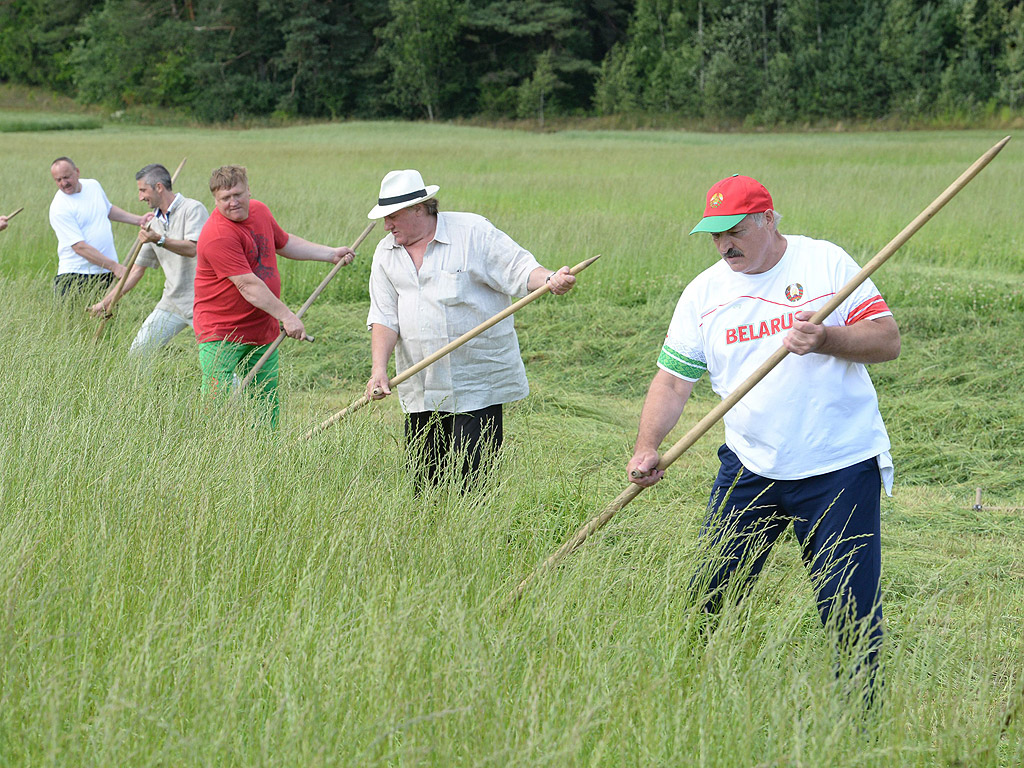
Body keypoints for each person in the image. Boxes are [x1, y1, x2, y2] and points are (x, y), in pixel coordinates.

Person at [627, 174, 900, 700]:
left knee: (849, 608)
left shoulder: (826, 264)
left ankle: (858, 721)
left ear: (769, 219)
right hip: (750, 464)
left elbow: (886, 341)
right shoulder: (704, 294)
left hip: (837, 466)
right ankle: (692, 694)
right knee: (710, 592)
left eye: (735, 229)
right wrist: (647, 445)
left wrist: (827, 338)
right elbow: (673, 378)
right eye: (715, 234)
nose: (724, 244)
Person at [364, 169, 577, 491]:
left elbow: (520, 270)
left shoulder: (473, 232)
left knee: (474, 477)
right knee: (423, 477)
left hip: (476, 380)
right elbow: (384, 315)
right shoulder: (386, 252)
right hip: (420, 381)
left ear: (419, 209)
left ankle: (472, 532)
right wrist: (378, 369)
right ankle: (427, 531)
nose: (387, 225)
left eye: (393, 216)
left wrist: (550, 279)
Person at [194, 165, 355, 429]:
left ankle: (266, 451)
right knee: (218, 399)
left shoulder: (260, 211)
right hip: (220, 332)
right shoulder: (217, 235)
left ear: (249, 191)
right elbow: (247, 285)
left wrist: (330, 254)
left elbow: (283, 242)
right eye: (225, 198)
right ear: (215, 200)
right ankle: (213, 453)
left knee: (266, 399)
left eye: (237, 194)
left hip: (261, 327)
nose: (233, 202)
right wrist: (287, 316)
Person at [88, 164, 210, 354]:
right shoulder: (153, 224)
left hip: (203, 302)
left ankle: (239, 385)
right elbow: (136, 271)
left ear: (159, 187)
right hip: (172, 302)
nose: (140, 197)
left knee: (216, 361)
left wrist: (159, 239)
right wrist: (107, 302)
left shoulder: (193, 209)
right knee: (138, 353)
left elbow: (193, 248)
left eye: (143, 190)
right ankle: (143, 385)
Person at [48, 157, 145, 297]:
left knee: (108, 317)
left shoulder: (93, 185)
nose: (64, 183)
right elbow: (79, 247)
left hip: (105, 274)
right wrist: (115, 267)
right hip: (76, 276)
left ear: (77, 172)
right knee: (76, 319)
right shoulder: (59, 207)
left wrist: (139, 220)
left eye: (66, 177)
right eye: (58, 180)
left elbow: (108, 209)